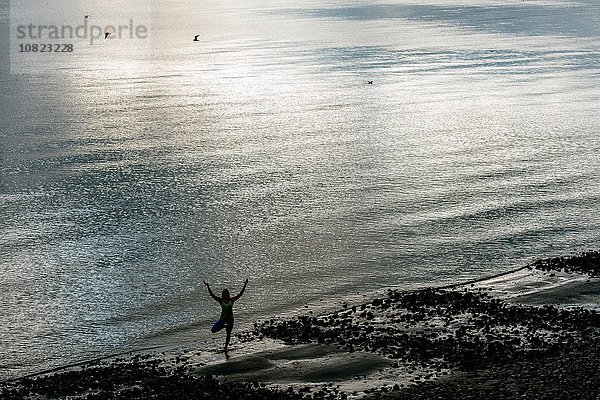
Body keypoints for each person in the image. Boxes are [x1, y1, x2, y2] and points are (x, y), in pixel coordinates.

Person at [203, 278, 248, 353]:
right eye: (224, 294)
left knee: (228, 334)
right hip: (222, 319)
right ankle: (224, 326)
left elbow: (240, 294)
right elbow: (212, 295)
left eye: (227, 293)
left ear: (228, 294)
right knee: (213, 330)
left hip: (230, 319)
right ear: (223, 294)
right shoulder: (221, 301)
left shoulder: (231, 300)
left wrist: (245, 285)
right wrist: (208, 286)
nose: (226, 295)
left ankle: (225, 347)